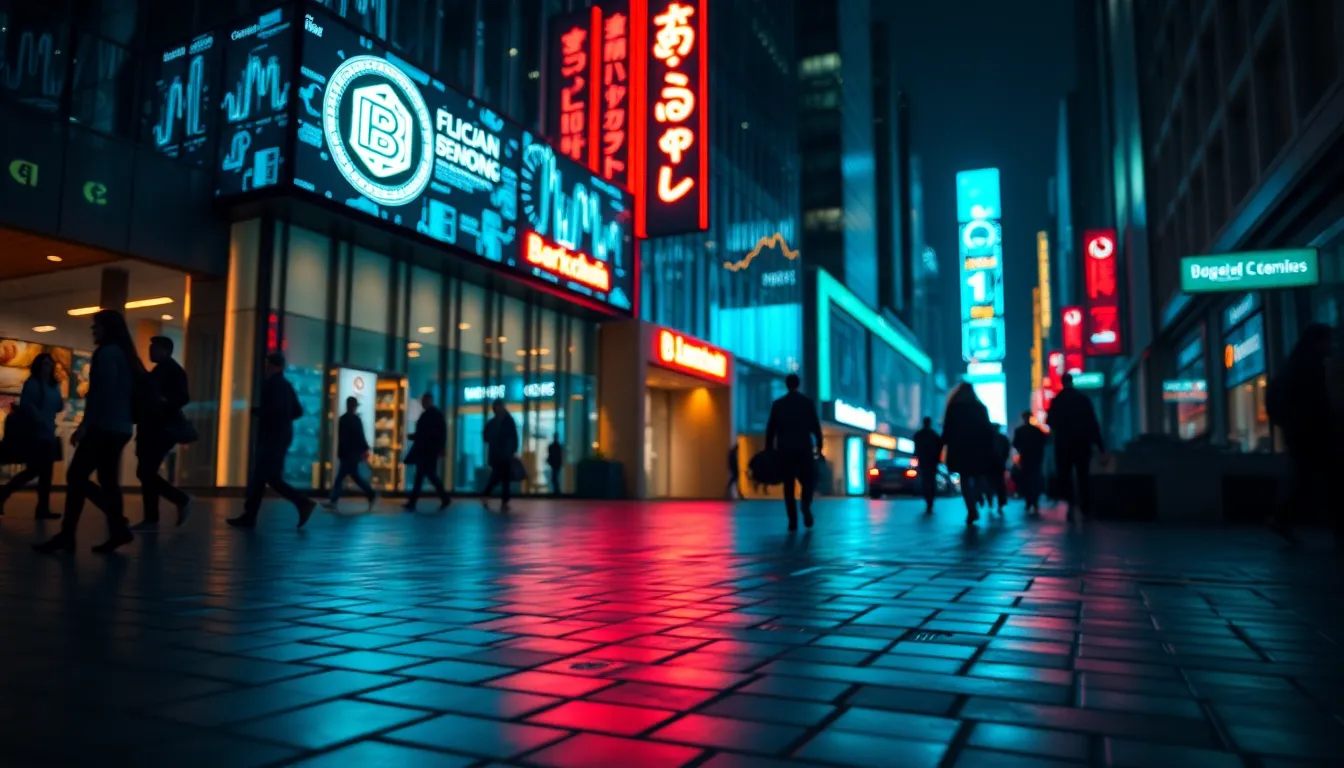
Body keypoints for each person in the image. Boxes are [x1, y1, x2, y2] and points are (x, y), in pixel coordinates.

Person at [34, 310, 141, 554]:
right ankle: (116, 529)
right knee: (107, 480)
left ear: (107, 328)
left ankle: (68, 534)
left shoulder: (107, 354)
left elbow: (101, 394)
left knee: (77, 475)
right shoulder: (125, 355)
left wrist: (85, 426)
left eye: (97, 326)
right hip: (120, 426)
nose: (93, 331)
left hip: (104, 426)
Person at [228, 352, 316, 529]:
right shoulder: (286, 385)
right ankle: (250, 515)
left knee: (269, 476)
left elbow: (271, 411)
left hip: (270, 437)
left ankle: (302, 502)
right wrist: (284, 418)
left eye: (267, 364)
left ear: (274, 366)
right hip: (282, 436)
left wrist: (258, 412)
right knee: (261, 477)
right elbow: (298, 411)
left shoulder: (271, 385)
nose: (265, 367)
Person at [1267, 323, 1335, 541]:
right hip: (1311, 435)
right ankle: (1282, 517)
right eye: (1327, 341)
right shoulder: (1309, 367)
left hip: (1299, 434)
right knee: (1318, 479)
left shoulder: (1295, 364)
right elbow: (1317, 404)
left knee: (1308, 480)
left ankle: (1282, 518)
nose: (1330, 346)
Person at [131, 336, 192, 530]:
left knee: (146, 471)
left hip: (160, 429)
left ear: (165, 350)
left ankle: (177, 501)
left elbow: (182, 397)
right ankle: (152, 516)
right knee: (146, 471)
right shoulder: (161, 371)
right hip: (153, 428)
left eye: (154, 348)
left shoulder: (172, 371)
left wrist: (164, 401)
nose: (150, 351)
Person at [0, 353, 63, 519]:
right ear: (38, 366)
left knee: (40, 472)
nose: (47, 367)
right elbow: (29, 407)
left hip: (47, 432)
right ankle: (38, 507)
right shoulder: (33, 384)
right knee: (37, 471)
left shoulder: (53, 385)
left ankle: (39, 506)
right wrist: (40, 420)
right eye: (44, 364)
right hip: (36, 434)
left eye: (50, 364)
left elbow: (57, 406)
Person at [765, 373, 823, 531]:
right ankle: (805, 505)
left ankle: (792, 521)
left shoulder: (778, 404)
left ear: (786, 384)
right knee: (807, 482)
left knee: (788, 486)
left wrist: (769, 449)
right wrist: (819, 445)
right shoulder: (807, 403)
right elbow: (815, 426)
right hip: (804, 449)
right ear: (798, 384)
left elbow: (771, 429)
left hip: (785, 450)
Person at [1046, 372, 1105, 520]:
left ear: (1062, 382)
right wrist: (1100, 444)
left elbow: (1049, 421)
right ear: (1072, 382)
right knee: (1083, 475)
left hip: (1063, 444)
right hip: (1082, 443)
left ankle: (1071, 505)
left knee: (1065, 475)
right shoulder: (1083, 399)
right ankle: (1085, 507)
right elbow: (1093, 422)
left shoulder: (1057, 400)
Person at [941, 382, 996, 525]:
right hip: (978, 449)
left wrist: (942, 446)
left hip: (960, 449)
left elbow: (947, 429)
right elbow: (988, 431)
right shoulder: (980, 408)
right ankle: (978, 495)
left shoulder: (953, 408)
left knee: (965, 479)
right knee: (978, 475)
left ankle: (971, 509)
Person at [325, 396, 377, 511]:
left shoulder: (343, 419)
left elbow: (342, 438)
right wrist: (364, 449)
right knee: (354, 476)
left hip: (347, 454)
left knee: (341, 477)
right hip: (354, 454)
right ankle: (371, 493)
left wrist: (341, 452)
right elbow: (361, 437)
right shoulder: (356, 420)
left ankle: (333, 500)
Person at [404, 392, 451, 511]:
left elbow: (427, 434)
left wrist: (414, 437)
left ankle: (414, 502)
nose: (423, 404)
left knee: (425, 476)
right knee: (425, 476)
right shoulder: (434, 414)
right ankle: (442, 498)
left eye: (424, 401)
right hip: (429, 451)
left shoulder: (429, 415)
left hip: (427, 451)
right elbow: (438, 433)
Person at [481, 398, 519, 510]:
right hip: (502, 454)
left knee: (499, 476)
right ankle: (502, 499)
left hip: (500, 453)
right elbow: (513, 437)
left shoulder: (495, 422)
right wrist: (512, 449)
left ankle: (494, 496)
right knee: (501, 476)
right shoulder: (506, 420)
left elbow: (486, 436)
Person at [1013, 410, 1048, 513]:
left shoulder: (1019, 431)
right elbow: (1044, 442)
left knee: (1027, 480)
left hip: (1026, 458)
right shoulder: (1036, 431)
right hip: (1036, 458)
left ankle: (1028, 501)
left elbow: (1015, 444)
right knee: (1035, 479)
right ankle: (1034, 501)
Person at [912, 416, 942, 514]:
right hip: (932, 461)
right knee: (931, 480)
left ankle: (928, 499)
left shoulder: (919, 435)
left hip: (924, 461)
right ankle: (930, 500)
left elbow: (916, 449)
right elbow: (939, 448)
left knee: (925, 480)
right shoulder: (934, 435)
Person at [990, 425, 1011, 512]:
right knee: (1000, 482)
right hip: (1000, 463)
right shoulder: (1003, 438)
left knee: (992, 482)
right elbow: (1007, 450)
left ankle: (991, 500)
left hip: (991, 464)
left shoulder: (989, 438)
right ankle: (1001, 501)